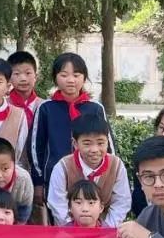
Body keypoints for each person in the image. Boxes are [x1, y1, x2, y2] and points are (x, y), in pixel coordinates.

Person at [30, 53, 110, 215]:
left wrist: (108, 177)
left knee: (89, 219)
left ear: (84, 77)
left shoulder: (95, 108)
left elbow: (108, 146)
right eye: (64, 75)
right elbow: (35, 148)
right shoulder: (46, 108)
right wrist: (38, 182)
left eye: (76, 75)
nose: (71, 80)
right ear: (55, 77)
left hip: (90, 178)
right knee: (59, 220)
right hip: (55, 179)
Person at [48, 115, 129, 228]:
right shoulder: (63, 167)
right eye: (87, 144)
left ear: (107, 142)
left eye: (100, 143)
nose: (94, 150)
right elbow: (58, 205)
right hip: (70, 230)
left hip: (105, 229)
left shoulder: (116, 166)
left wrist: (105, 229)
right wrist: (73, 229)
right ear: (75, 144)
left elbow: (121, 203)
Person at [7, 50, 43, 139]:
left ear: (35, 77)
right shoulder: (3, 105)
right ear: (9, 78)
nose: (23, 78)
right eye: (17, 74)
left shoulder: (44, 106)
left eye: (28, 73)